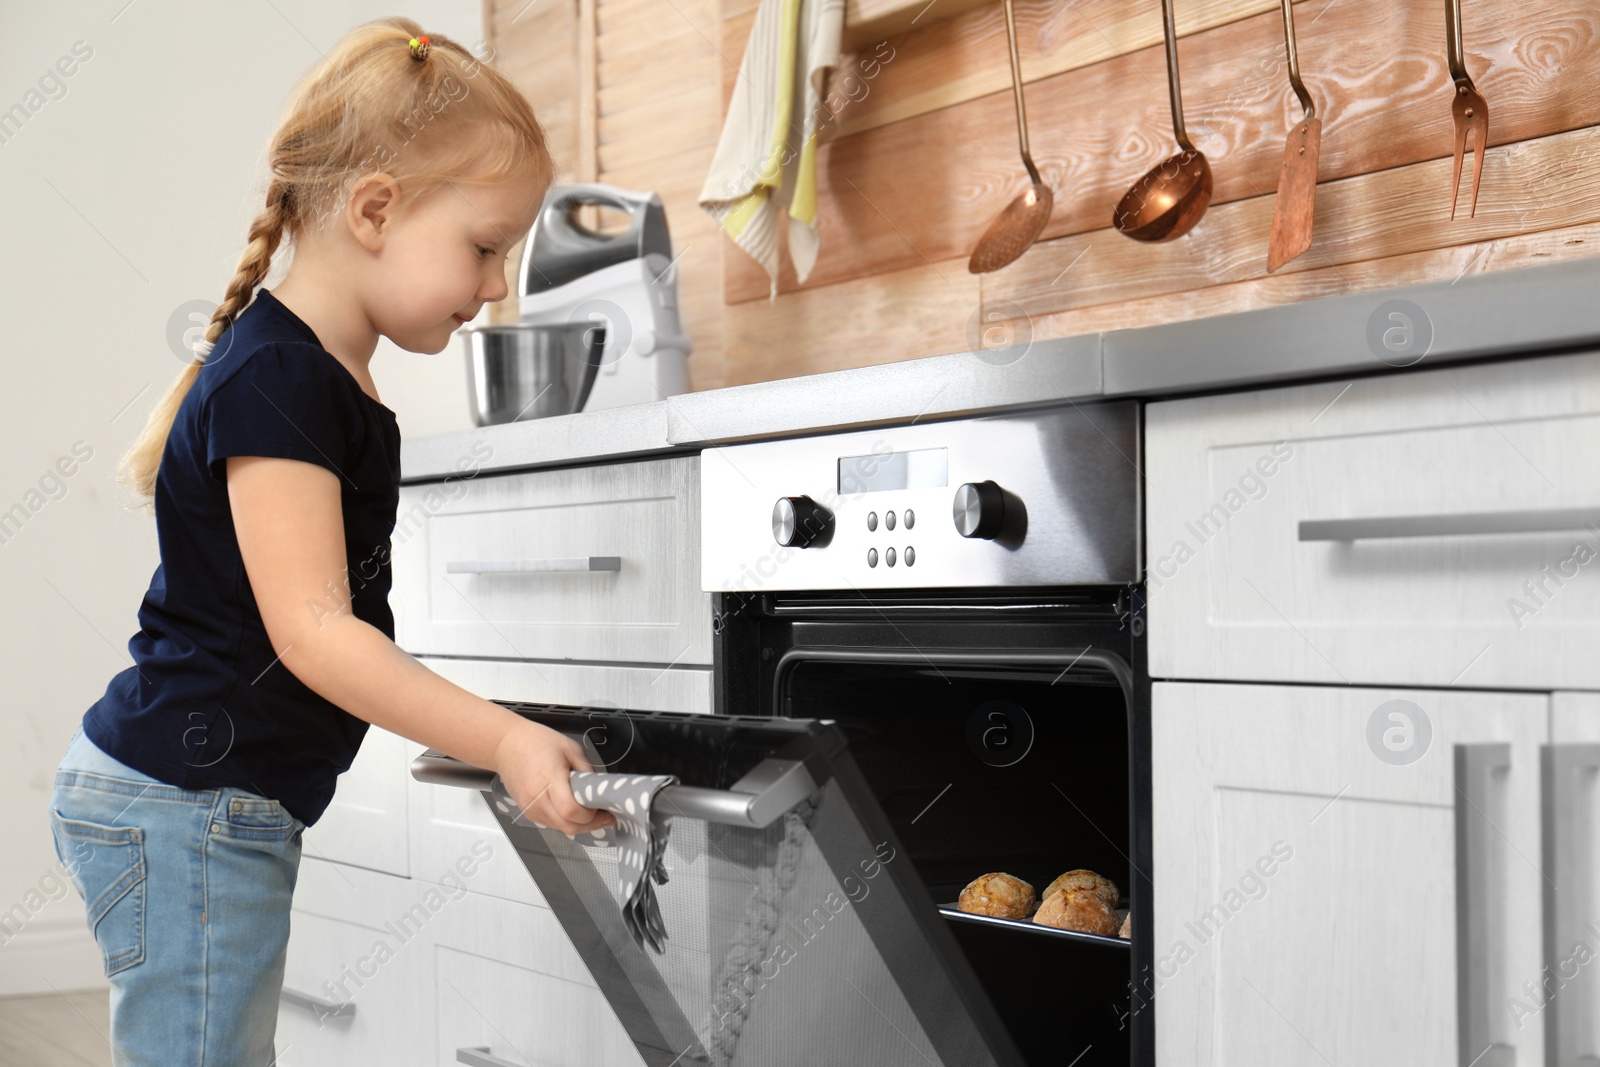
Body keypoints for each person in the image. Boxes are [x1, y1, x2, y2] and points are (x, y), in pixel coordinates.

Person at [45, 18, 613, 1065]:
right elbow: (313, 630)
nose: (497, 287)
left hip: (191, 801)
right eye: (486, 247)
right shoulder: (284, 378)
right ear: (376, 209)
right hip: (187, 806)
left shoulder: (309, 375)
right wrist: (502, 736)